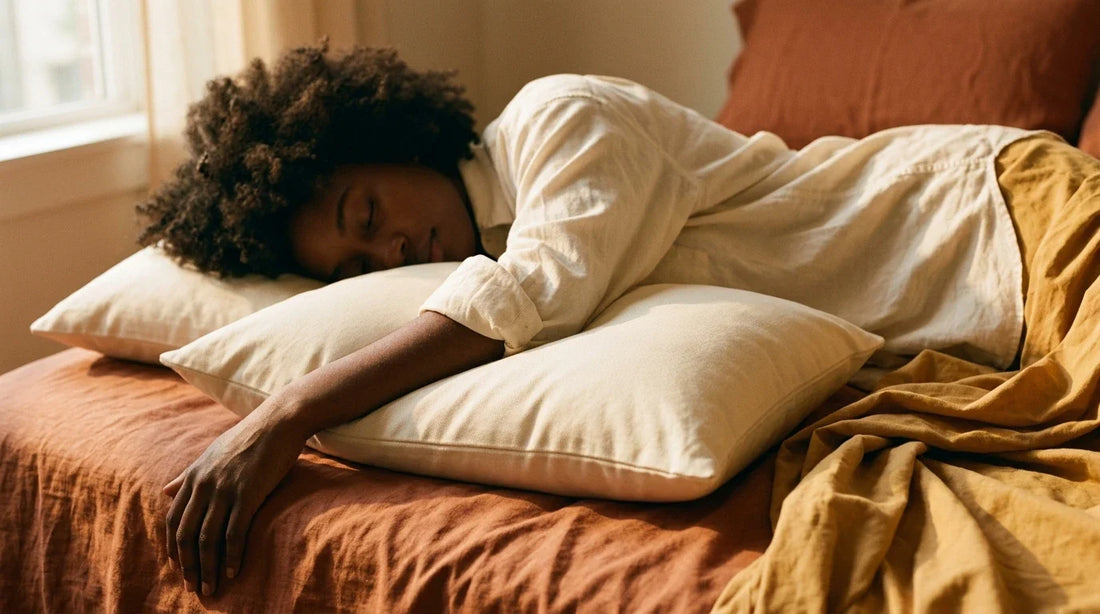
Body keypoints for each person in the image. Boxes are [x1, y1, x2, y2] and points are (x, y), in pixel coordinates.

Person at [140, 42, 1078, 597]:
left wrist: (287, 413)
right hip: (978, 318)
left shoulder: (560, 118)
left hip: (1002, 216)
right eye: (351, 266)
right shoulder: (474, 259)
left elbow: (542, 286)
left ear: (387, 143)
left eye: (368, 216)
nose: (389, 256)